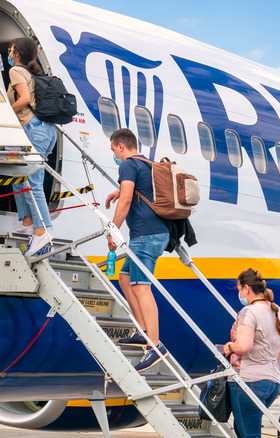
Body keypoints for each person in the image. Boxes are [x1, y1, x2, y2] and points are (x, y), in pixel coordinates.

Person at [105, 128, 170, 372]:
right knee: (124, 278)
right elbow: (136, 191)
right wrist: (119, 189)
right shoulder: (147, 163)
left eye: (113, 150)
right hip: (152, 234)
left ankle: (155, 346)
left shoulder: (128, 165)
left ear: (121, 146)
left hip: (145, 236)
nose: (114, 155)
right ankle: (142, 331)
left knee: (141, 287)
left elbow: (127, 200)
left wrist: (113, 230)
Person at [7, 37, 58, 257]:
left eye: (10, 50)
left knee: (32, 181)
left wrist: (6, 112)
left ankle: (43, 230)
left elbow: (25, 99)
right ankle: (28, 222)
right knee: (20, 177)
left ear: (16, 52)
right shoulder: (30, 73)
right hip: (44, 131)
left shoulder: (16, 71)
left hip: (33, 130)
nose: (9, 53)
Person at [222, 268, 280, 438]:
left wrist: (229, 346)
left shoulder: (248, 312)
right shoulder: (279, 312)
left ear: (246, 288)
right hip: (272, 382)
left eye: (239, 290)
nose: (240, 295)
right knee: (243, 430)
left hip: (249, 381)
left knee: (249, 434)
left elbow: (244, 347)